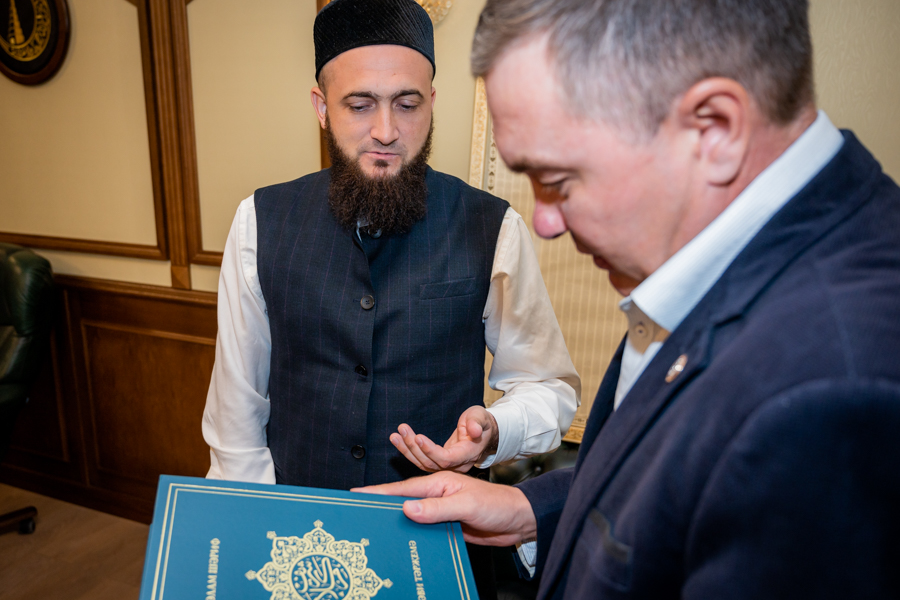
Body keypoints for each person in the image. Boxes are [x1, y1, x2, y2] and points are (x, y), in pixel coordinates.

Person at [358, 0, 900, 598]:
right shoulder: (723, 259)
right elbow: (672, 488)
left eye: (558, 181)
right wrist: (529, 508)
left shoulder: (834, 393)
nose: (546, 223)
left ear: (715, 129)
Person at [201, 0, 579, 498]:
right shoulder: (258, 220)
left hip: (439, 521)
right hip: (299, 518)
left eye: (407, 104)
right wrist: (254, 519)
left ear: (431, 103)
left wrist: (494, 428)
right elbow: (236, 411)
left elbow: (547, 387)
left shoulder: (493, 226)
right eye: (360, 105)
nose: (386, 131)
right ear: (322, 108)